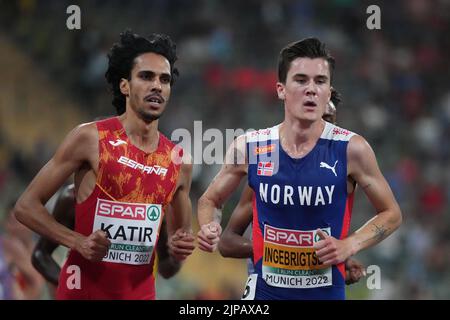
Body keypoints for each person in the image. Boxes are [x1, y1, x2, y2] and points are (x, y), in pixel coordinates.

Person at [197, 38, 402, 299]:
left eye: (320, 81)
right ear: (281, 89)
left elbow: (392, 213)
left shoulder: (353, 149)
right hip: (264, 295)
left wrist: (349, 245)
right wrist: (208, 226)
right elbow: (210, 200)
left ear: (328, 91)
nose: (311, 89)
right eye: (301, 80)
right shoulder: (250, 147)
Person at [13, 31, 195, 300]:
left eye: (164, 80)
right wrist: (79, 242)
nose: (157, 85)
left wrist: (180, 251)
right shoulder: (89, 139)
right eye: (146, 76)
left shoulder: (179, 161)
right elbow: (25, 207)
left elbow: (169, 265)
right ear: (125, 86)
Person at [218, 90, 366, 289]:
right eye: (316, 119)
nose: (322, 128)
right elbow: (226, 243)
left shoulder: (341, 175)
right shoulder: (268, 173)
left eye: (329, 121)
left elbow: (390, 214)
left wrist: (342, 260)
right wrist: (278, 252)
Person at [31, 183, 184, 295]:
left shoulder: (155, 207)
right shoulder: (72, 198)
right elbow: (40, 254)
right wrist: (69, 287)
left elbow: (166, 268)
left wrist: (178, 255)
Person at [0, 202, 45, 299]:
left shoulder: (41, 254)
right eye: (11, 221)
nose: (16, 227)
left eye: (19, 222)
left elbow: (37, 283)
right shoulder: (6, 245)